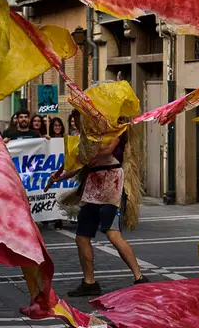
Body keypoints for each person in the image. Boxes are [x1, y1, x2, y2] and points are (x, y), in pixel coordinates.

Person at [45, 81, 147, 297]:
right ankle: (89, 282)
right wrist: (56, 178)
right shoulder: (88, 136)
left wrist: (87, 152)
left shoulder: (119, 129)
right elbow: (76, 163)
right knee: (82, 236)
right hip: (93, 185)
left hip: (111, 183)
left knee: (112, 233)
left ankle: (139, 276)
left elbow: (105, 150)